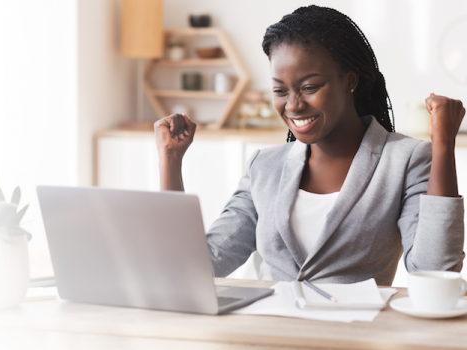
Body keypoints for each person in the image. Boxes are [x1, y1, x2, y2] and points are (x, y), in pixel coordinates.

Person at [153, 5, 465, 286]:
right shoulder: (264, 166)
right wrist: (170, 161)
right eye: (280, 90)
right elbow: (197, 266)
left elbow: (435, 269)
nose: (294, 105)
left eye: (309, 87)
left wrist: (443, 145)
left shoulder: (405, 160)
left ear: (349, 80)